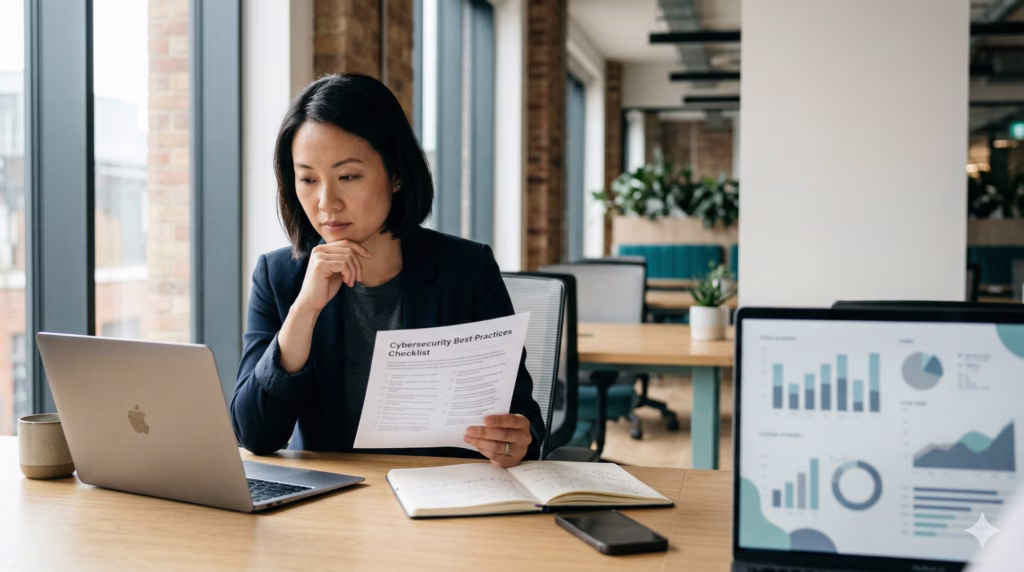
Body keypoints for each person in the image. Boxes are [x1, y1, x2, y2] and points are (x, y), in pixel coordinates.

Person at [231, 74, 543, 467]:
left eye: (348, 177)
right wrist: (304, 311)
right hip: (328, 506)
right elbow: (254, 435)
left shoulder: (466, 270)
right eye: (308, 179)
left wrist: (515, 437)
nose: (326, 203)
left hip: (440, 498)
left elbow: (523, 417)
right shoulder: (279, 277)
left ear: (396, 174)